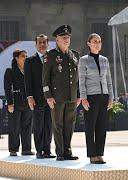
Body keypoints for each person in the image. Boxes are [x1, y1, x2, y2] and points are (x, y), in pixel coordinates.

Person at [42, 25, 80, 161]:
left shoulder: (75, 55)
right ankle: (60, 152)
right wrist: (48, 96)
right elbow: (45, 78)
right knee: (58, 124)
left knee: (70, 124)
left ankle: (68, 151)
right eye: (63, 38)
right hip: (56, 97)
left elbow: (77, 78)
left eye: (68, 37)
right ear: (57, 40)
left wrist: (79, 95)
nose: (66, 40)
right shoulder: (50, 55)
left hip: (72, 96)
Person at [78, 33, 114, 164]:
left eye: (99, 41)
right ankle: (92, 154)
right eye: (94, 41)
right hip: (91, 97)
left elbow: (109, 80)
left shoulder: (105, 60)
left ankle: (99, 153)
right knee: (90, 126)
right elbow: (81, 81)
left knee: (102, 126)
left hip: (104, 96)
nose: (97, 43)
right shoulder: (83, 60)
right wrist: (83, 98)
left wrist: (111, 97)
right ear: (89, 43)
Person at [24, 34, 55, 159]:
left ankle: (47, 150)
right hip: (37, 98)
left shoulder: (52, 58)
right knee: (38, 126)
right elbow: (27, 81)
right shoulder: (30, 60)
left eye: (44, 42)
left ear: (48, 43)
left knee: (49, 125)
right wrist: (30, 97)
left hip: (51, 99)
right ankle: (39, 151)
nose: (42, 45)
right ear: (36, 44)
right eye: (39, 42)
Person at [4, 49, 34, 156]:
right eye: (23, 56)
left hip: (27, 104)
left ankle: (26, 150)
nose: (25, 58)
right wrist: (10, 103)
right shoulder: (10, 71)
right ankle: (13, 149)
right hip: (15, 105)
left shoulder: (28, 71)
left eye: (26, 56)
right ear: (16, 58)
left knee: (27, 127)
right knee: (14, 127)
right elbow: (7, 88)